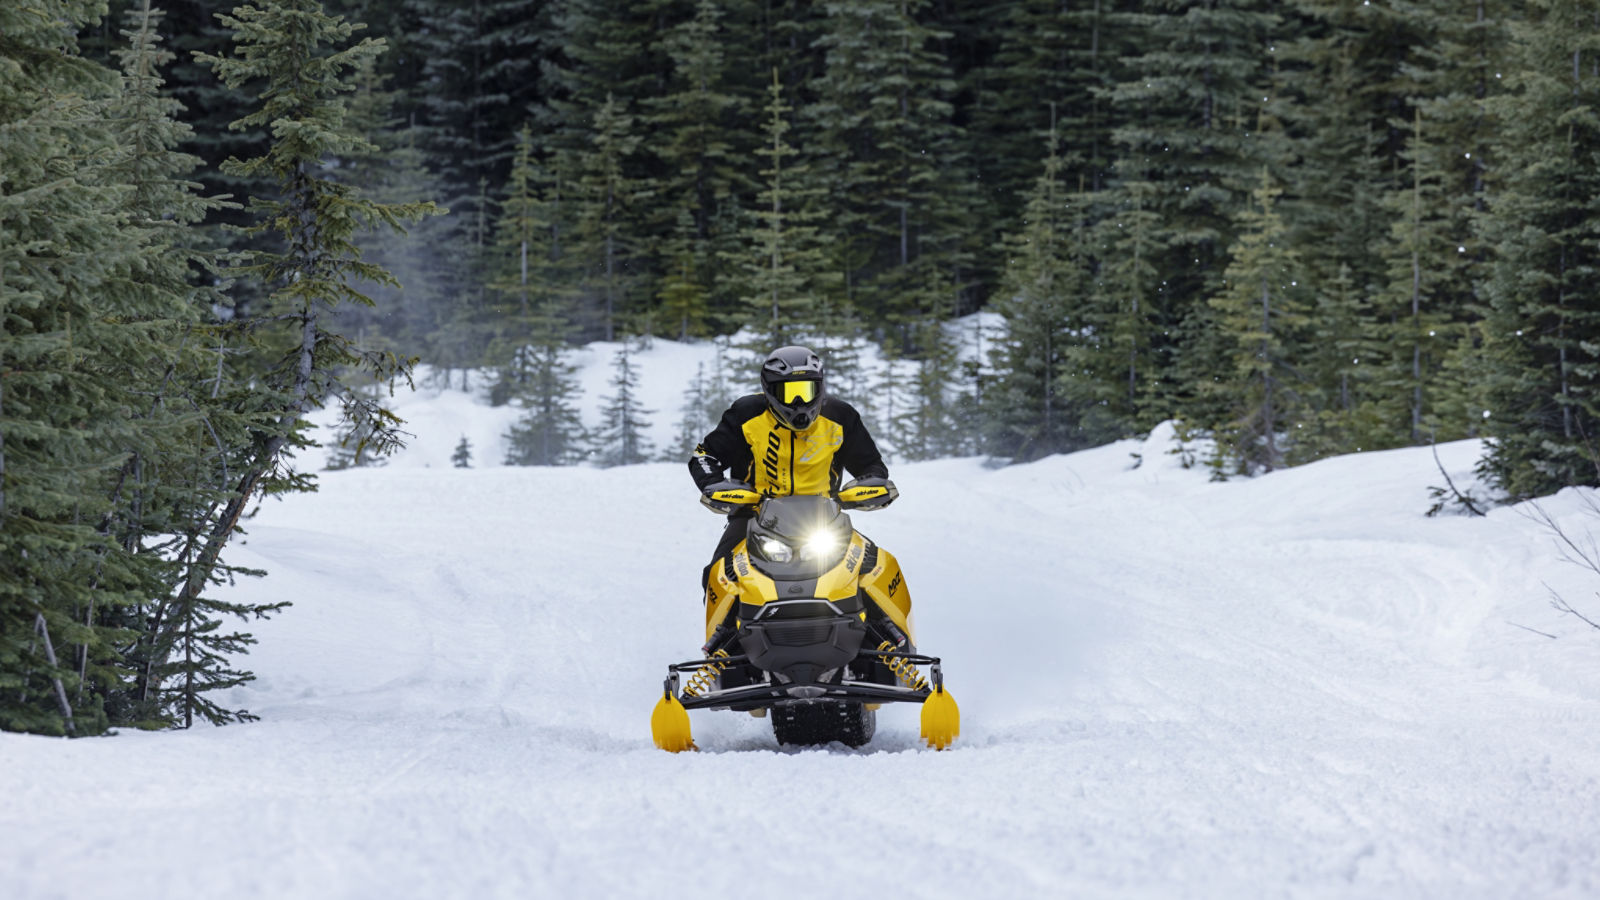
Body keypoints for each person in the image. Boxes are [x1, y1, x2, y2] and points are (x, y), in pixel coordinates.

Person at [688, 345, 895, 601]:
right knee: (718, 576)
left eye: (806, 390)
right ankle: (722, 639)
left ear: (819, 388)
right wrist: (715, 485)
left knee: (875, 570)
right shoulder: (746, 414)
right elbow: (704, 456)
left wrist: (868, 488)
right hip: (754, 517)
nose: (798, 402)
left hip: (824, 519)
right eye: (788, 392)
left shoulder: (840, 417)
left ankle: (893, 636)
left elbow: (871, 465)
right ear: (769, 391)